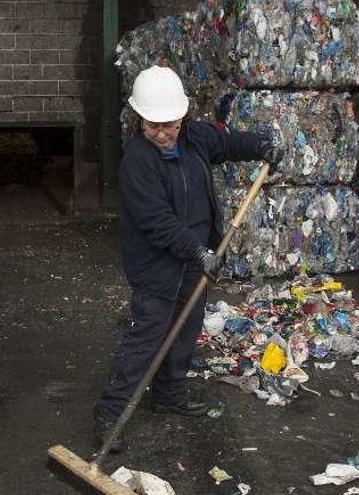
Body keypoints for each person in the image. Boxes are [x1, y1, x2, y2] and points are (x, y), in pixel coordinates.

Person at [93, 65, 283, 452]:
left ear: (182, 117)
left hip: (196, 258)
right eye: (152, 125)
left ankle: (169, 395)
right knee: (146, 336)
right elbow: (157, 222)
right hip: (157, 264)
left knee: (185, 328)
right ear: (139, 120)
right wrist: (199, 250)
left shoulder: (195, 139)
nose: (162, 134)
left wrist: (261, 146)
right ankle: (110, 413)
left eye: (169, 125)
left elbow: (228, 144)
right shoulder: (137, 162)